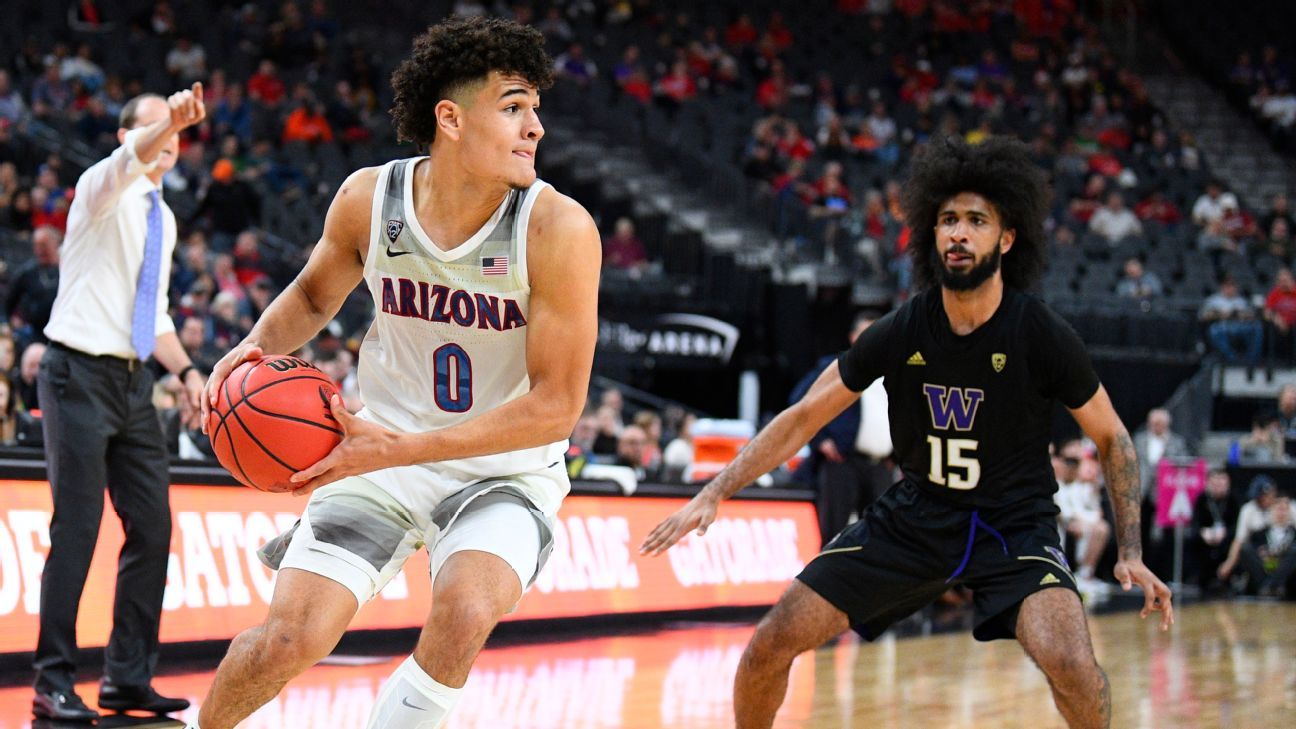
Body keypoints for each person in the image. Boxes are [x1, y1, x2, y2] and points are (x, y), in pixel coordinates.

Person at [642, 136, 1172, 729]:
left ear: (1007, 238)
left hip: (1013, 525)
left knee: (1073, 665)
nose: (958, 233)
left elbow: (1114, 439)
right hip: (916, 517)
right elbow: (804, 415)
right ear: (930, 234)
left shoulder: (1040, 333)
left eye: (977, 220)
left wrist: (1130, 551)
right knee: (768, 645)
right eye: (948, 220)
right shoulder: (903, 329)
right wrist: (718, 488)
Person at [190, 17, 599, 729]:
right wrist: (247, 352)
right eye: (512, 107)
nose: (535, 127)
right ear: (450, 118)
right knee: (288, 638)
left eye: (536, 108)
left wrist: (398, 447)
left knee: (464, 610)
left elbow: (557, 407)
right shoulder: (369, 200)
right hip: (376, 457)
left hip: (500, 470)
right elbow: (315, 295)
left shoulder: (556, 229)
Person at [32, 85, 208, 721]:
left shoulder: (165, 214)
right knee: (76, 530)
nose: (172, 138)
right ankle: (52, 682)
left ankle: (126, 678)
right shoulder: (101, 190)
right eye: (157, 128)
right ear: (127, 138)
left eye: (179, 131)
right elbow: (131, 156)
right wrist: (163, 125)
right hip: (75, 374)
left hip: (134, 383)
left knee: (153, 528)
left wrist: (187, 372)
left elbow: (154, 316)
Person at [789, 310, 893, 545]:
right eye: (866, 333)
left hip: (880, 464)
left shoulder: (893, 371)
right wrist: (821, 439)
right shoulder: (837, 367)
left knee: (881, 535)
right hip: (843, 461)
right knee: (834, 532)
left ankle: (871, 581)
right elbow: (799, 401)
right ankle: (823, 581)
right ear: (853, 337)